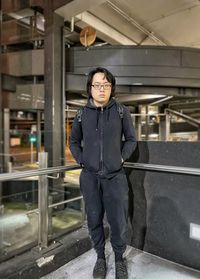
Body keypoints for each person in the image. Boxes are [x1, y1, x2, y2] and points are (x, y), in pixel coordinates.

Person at [70, 67, 137, 279]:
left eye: (106, 85)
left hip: (115, 177)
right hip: (89, 177)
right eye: (97, 85)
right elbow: (73, 142)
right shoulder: (81, 114)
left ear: (111, 88)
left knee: (118, 221)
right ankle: (100, 257)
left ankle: (119, 259)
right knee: (94, 219)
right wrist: (82, 160)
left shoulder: (120, 111)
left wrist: (121, 158)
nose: (102, 89)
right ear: (90, 88)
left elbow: (131, 140)